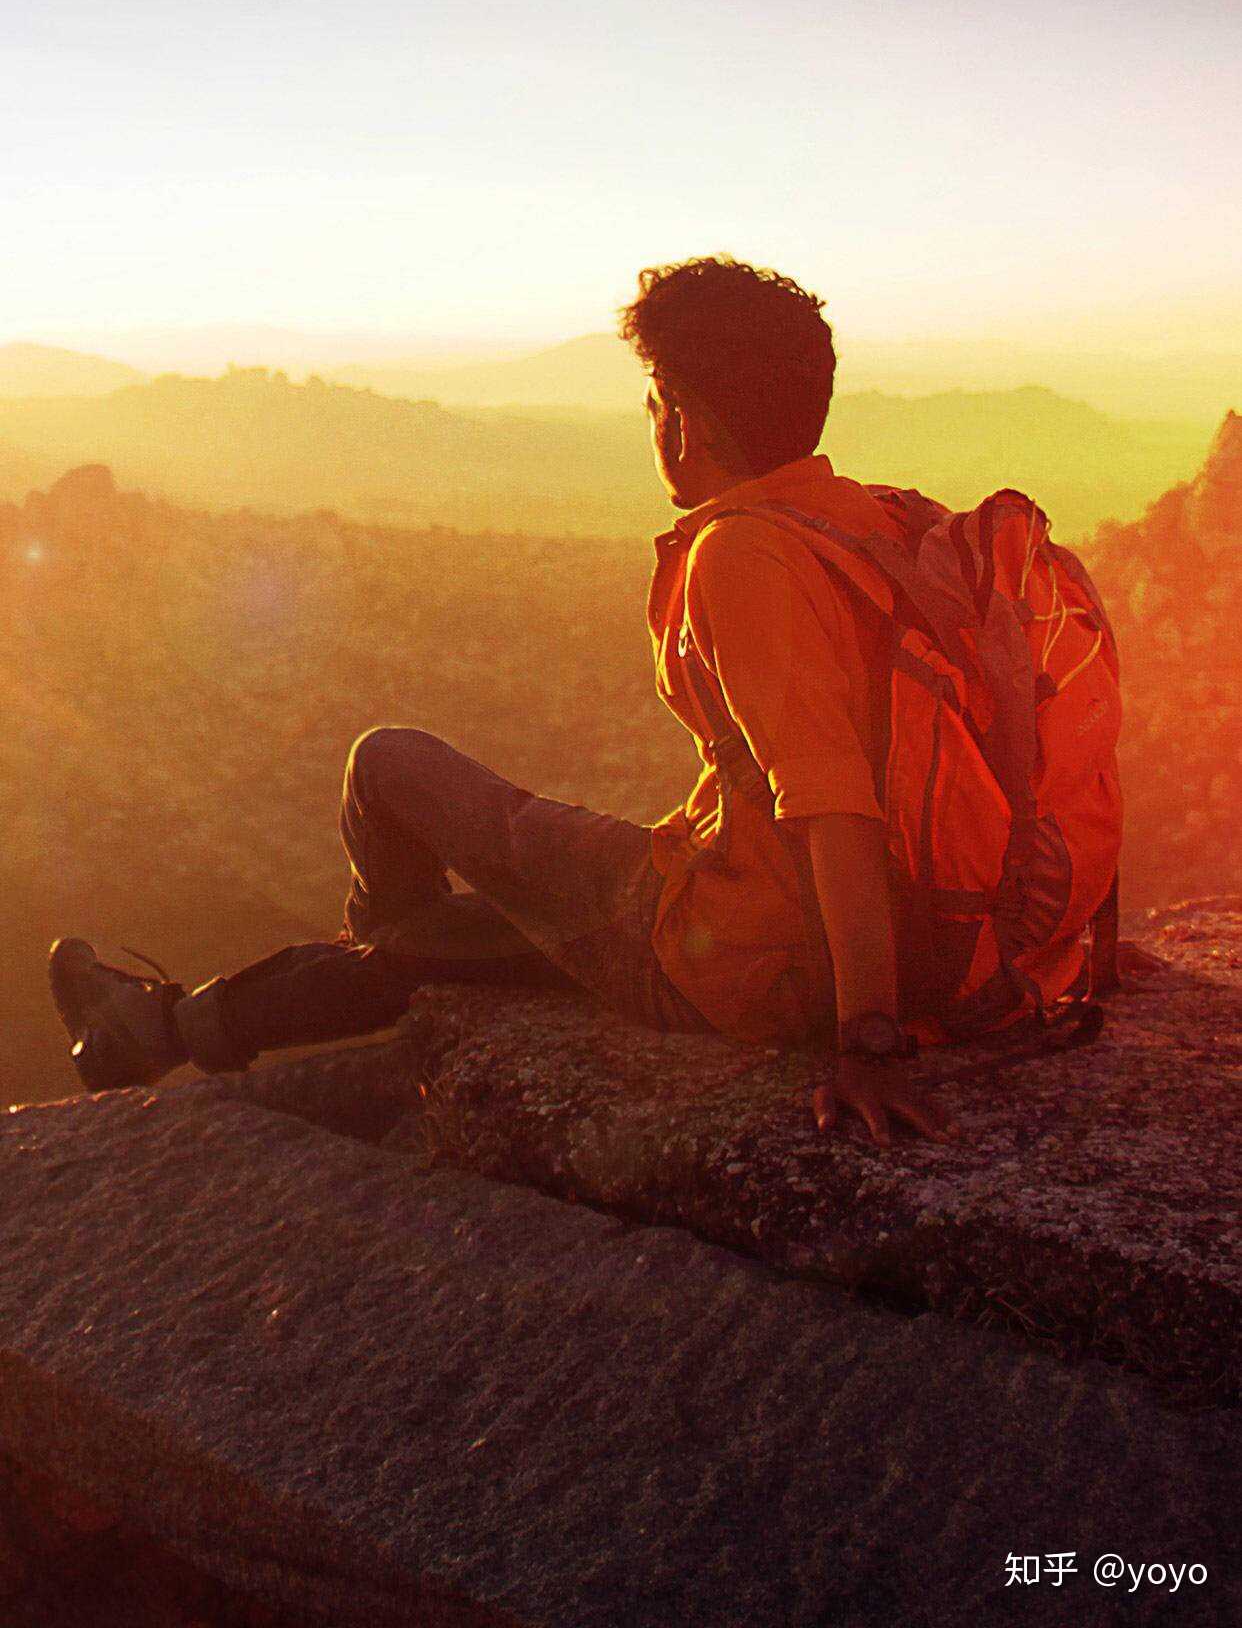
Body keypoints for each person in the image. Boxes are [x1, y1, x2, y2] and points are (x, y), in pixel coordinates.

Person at [50, 255, 962, 1147]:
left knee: (387, 764)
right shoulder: (876, 522)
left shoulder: (741, 556)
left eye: (654, 402)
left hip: (741, 960)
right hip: (884, 937)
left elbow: (834, 802)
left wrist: (868, 1040)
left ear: (682, 420)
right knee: (507, 932)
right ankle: (166, 1029)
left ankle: (377, 964)